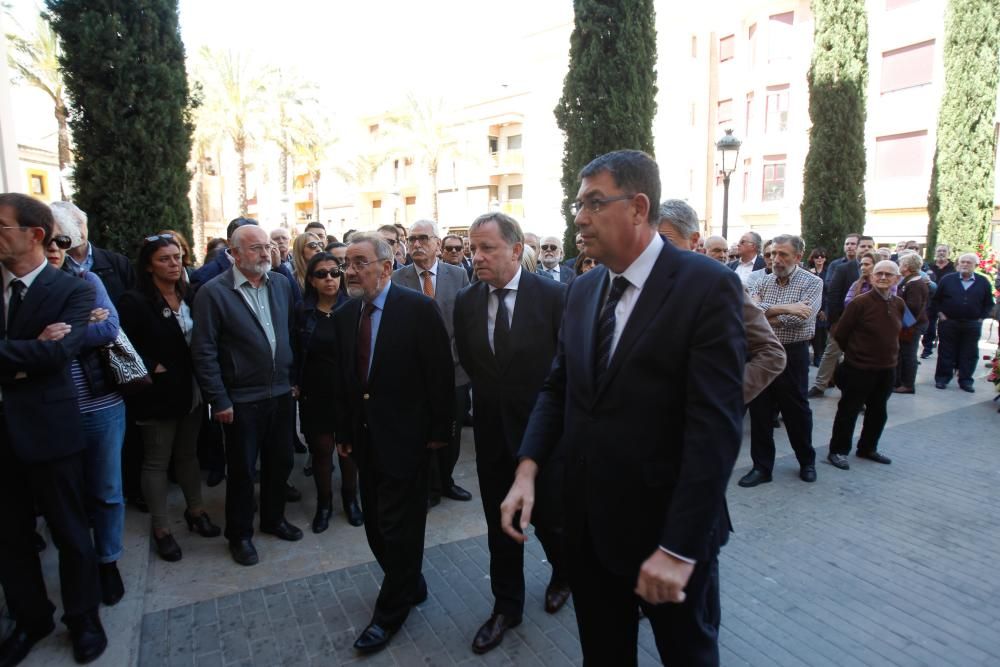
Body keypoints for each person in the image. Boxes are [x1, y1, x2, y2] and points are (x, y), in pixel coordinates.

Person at [500, 151, 745, 666]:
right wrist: (527, 469)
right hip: (590, 531)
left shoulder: (705, 285)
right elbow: (557, 387)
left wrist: (679, 549)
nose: (579, 218)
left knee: (688, 656)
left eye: (594, 202)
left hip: (669, 537)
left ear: (637, 207)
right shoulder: (584, 290)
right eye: (577, 204)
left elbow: (714, 430)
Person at [454, 212, 570, 655]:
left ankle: (564, 572)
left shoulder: (555, 296)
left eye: (487, 248)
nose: (476, 256)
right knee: (499, 524)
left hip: (545, 439)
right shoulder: (466, 300)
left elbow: (567, 371)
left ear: (517, 249)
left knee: (552, 519)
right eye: (473, 248)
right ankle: (507, 606)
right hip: (491, 437)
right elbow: (474, 361)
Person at [332, 233, 454, 654]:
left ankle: (389, 612)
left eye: (359, 262)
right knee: (376, 527)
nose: (349, 271)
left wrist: (441, 433)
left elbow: (440, 375)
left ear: (386, 267)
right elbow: (347, 383)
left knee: (400, 529)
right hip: (365, 441)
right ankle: (409, 581)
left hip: (408, 441)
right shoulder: (346, 315)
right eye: (348, 263)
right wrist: (345, 434)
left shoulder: (418, 309)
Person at [0, 193, 107, 665]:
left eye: (0, 227)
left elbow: (57, 356)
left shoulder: (72, 289)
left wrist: (15, 354)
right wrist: (27, 353)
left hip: (50, 431)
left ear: (34, 235)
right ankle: (31, 617)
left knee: (69, 530)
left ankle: (83, 618)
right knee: (9, 536)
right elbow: (38, 354)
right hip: (2, 438)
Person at [191, 225, 302, 566]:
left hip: (281, 393)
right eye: (255, 248)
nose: (265, 253)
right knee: (241, 470)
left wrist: (294, 379)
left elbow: (293, 335)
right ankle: (239, 535)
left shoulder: (282, 285)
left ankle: (273, 519)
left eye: (267, 247)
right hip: (240, 398)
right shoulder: (213, 292)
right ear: (234, 254)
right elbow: (204, 351)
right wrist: (219, 400)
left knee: (280, 461)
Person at [118, 234, 221, 563]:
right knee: (157, 461)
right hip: (157, 396)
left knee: (188, 456)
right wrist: (152, 365)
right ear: (149, 265)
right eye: (165, 258)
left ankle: (196, 511)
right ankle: (161, 528)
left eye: (177, 257)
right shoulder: (133, 301)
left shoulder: (189, 293)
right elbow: (122, 346)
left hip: (191, 391)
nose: (174, 263)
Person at [43, 212, 127, 605]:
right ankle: (80, 568)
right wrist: (78, 328)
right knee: (68, 499)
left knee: (107, 490)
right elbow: (24, 344)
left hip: (102, 404)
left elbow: (109, 329)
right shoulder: (24, 292)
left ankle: (108, 560)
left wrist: (59, 336)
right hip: (50, 412)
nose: (56, 250)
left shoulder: (86, 280)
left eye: (63, 242)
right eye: (49, 242)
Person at [659, 199, 786, 405]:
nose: (657, 253)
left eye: (666, 243)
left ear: (694, 241)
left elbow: (771, 353)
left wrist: (720, 398)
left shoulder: (719, 284)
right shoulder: (639, 282)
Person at [390, 221, 472, 509]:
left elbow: (466, 322)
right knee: (423, 433)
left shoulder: (459, 275)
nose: (416, 244)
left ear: (438, 244)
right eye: (412, 239)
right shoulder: (397, 278)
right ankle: (428, 487)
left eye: (423, 238)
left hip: (455, 372)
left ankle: (446, 481)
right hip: (414, 376)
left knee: (451, 432)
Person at [742, 234, 822, 488]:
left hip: (793, 353)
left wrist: (763, 314)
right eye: (773, 254)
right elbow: (749, 315)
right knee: (760, 411)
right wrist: (786, 308)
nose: (776, 259)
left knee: (796, 410)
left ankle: (806, 461)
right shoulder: (760, 280)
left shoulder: (813, 282)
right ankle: (761, 467)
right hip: (761, 353)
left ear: (798, 257)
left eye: (783, 254)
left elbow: (803, 319)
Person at [294, 252, 361, 532]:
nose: (330, 279)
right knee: (321, 451)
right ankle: (324, 504)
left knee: (348, 450)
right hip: (315, 392)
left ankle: (351, 500)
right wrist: (293, 381)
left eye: (335, 272)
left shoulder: (354, 307)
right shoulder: (302, 312)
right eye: (321, 274)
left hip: (348, 392)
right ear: (311, 280)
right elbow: (295, 351)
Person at [827, 260, 905, 470]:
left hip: (887, 368)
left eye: (889, 274)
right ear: (871, 277)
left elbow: (900, 331)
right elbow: (841, 333)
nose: (883, 277)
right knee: (849, 411)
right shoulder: (859, 303)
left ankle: (868, 448)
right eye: (879, 273)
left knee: (878, 411)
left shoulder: (898, 303)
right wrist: (856, 354)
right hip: (858, 368)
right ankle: (838, 451)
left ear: (897, 279)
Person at [810, 234, 875, 397]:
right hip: (842, 321)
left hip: (868, 326)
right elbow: (833, 294)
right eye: (863, 246)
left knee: (861, 359)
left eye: (869, 246)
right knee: (831, 352)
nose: (865, 249)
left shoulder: (881, 271)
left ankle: (856, 391)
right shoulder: (843, 268)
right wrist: (835, 321)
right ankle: (820, 385)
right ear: (857, 247)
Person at [932, 252, 995, 392]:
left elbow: (988, 303)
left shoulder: (983, 281)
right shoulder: (947, 279)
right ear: (958, 264)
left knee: (970, 353)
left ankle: (966, 381)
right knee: (946, 351)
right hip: (949, 322)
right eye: (962, 262)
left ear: (976, 266)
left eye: (969, 262)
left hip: (972, 324)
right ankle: (942, 378)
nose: (965, 265)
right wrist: (940, 314)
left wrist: (981, 318)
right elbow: (936, 299)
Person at [50, 201, 134, 304]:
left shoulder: (117, 262)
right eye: (67, 225)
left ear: (86, 223)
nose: (77, 231)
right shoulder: (51, 268)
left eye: (78, 223)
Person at [894, 253, 930, 394]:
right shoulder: (910, 281)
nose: (899, 266)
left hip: (911, 325)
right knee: (903, 353)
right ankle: (899, 381)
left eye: (901, 264)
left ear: (907, 266)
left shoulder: (915, 284)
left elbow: (913, 307)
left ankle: (908, 384)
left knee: (908, 354)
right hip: (908, 325)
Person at [921, 244, 956, 359]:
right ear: (935, 252)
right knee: (929, 325)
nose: (941, 253)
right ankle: (927, 348)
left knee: (945, 326)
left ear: (948, 253)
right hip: (931, 300)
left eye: (944, 251)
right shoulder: (928, 266)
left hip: (947, 301)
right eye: (939, 251)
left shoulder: (953, 267)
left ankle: (945, 350)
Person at [806, 248, 829, 366]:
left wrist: (824, 310)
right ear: (813, 259)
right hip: (810, 308)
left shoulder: (828, 272)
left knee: (820, 335)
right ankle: (807, 357)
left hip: (823, 309)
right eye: (817, 256)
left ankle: (818, 356)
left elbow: (829, 293)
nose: (819, 258)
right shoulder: (808, 272)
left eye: (822, 256)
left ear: (825, 259)